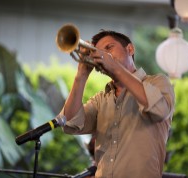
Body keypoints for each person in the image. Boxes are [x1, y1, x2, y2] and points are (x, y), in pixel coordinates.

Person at [60, 29, 175, 178]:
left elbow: (159, 110)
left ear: (130, 49)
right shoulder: (101, 99)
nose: (103, 56)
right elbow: (68, 123)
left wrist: (115, 67)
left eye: (109, 48)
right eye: (99, 53)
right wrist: (81, 75)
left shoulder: (158, 82)